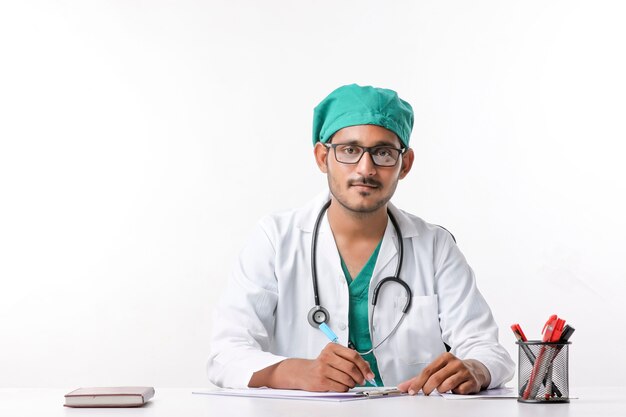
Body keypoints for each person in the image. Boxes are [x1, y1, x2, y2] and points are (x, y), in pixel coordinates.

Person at [207, 84, 514, 395]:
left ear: (404, 165)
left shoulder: (434, 246)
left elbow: (488, 349)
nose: (366, 169)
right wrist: (298, 371)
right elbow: (226, 354)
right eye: (350, 150)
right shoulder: (276, 239)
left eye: (382, 152)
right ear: (322, 156)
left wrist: (475, 367)